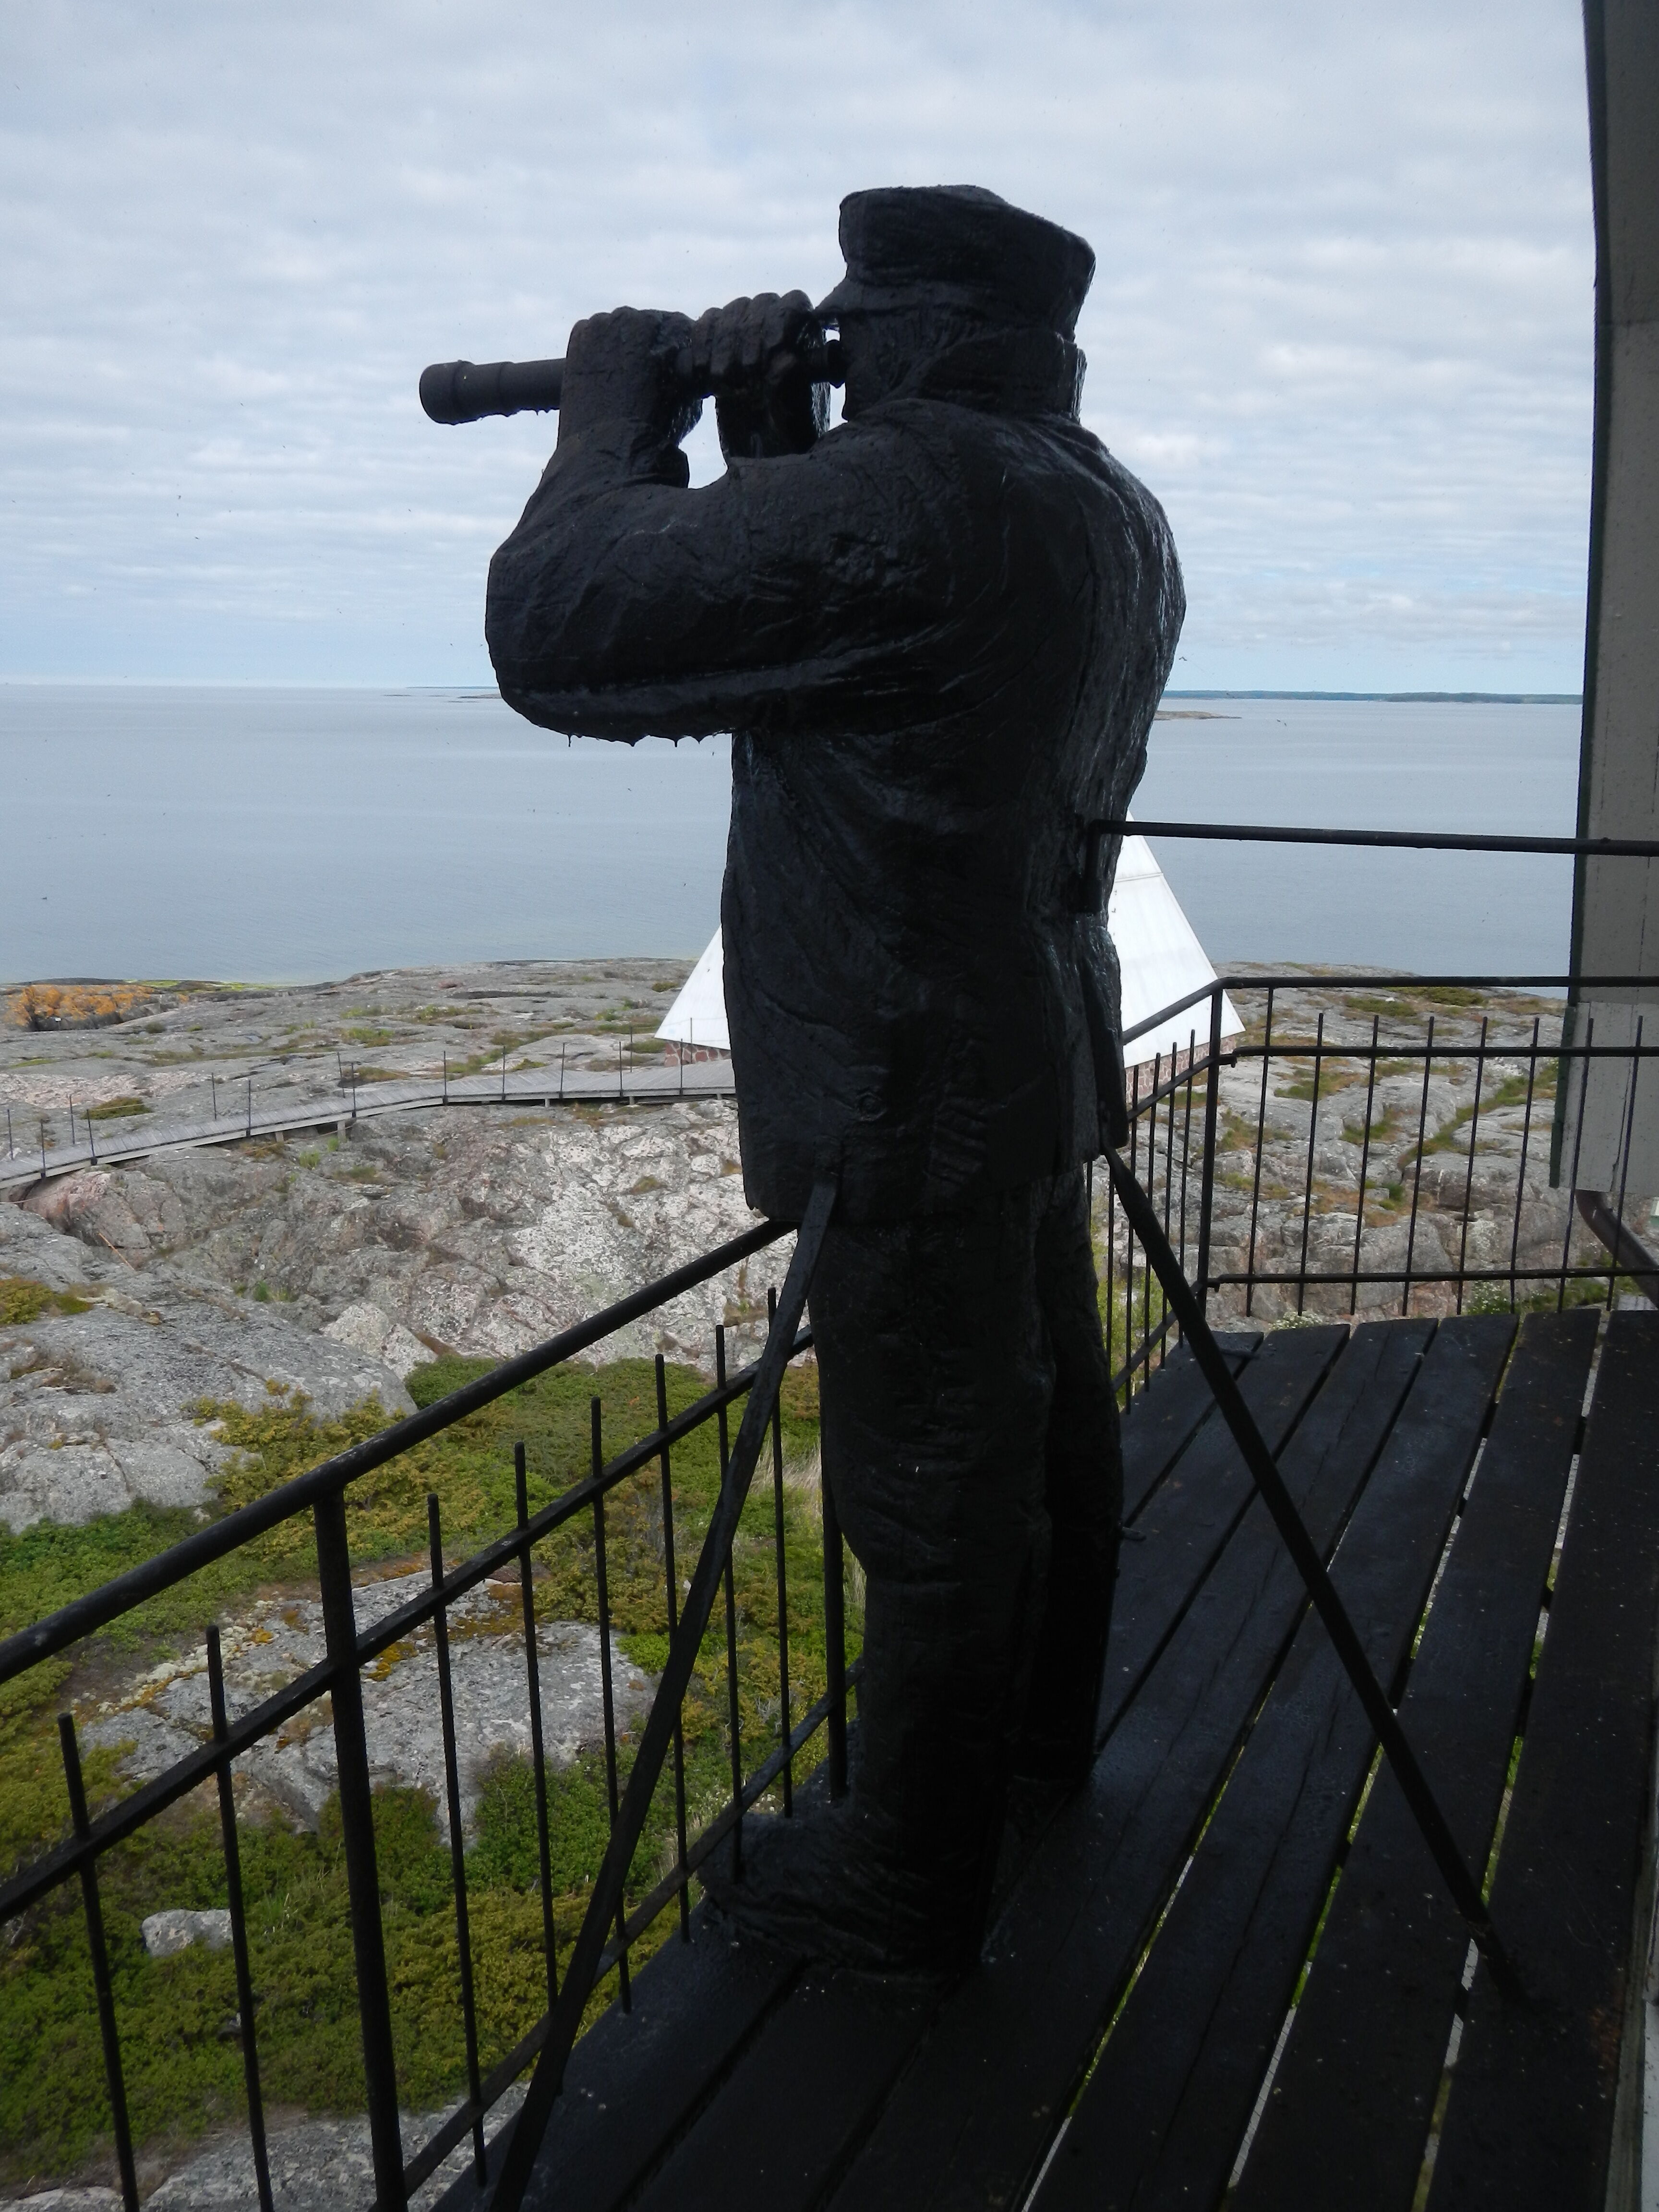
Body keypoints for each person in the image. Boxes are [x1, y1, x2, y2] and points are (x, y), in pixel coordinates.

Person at [487, 185, 1184, 1971]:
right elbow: (835, 642)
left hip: (896, 1066)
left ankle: (911, 1881)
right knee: (1046, 1425)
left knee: (932, 1484)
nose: (843, 339)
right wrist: (771, 433)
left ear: (918, 333)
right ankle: (1031, 1755)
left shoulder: (918, 492)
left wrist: (609, 422)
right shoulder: (1097, 500)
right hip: (1024, 1042)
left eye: (860, 323)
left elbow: (558, 627)